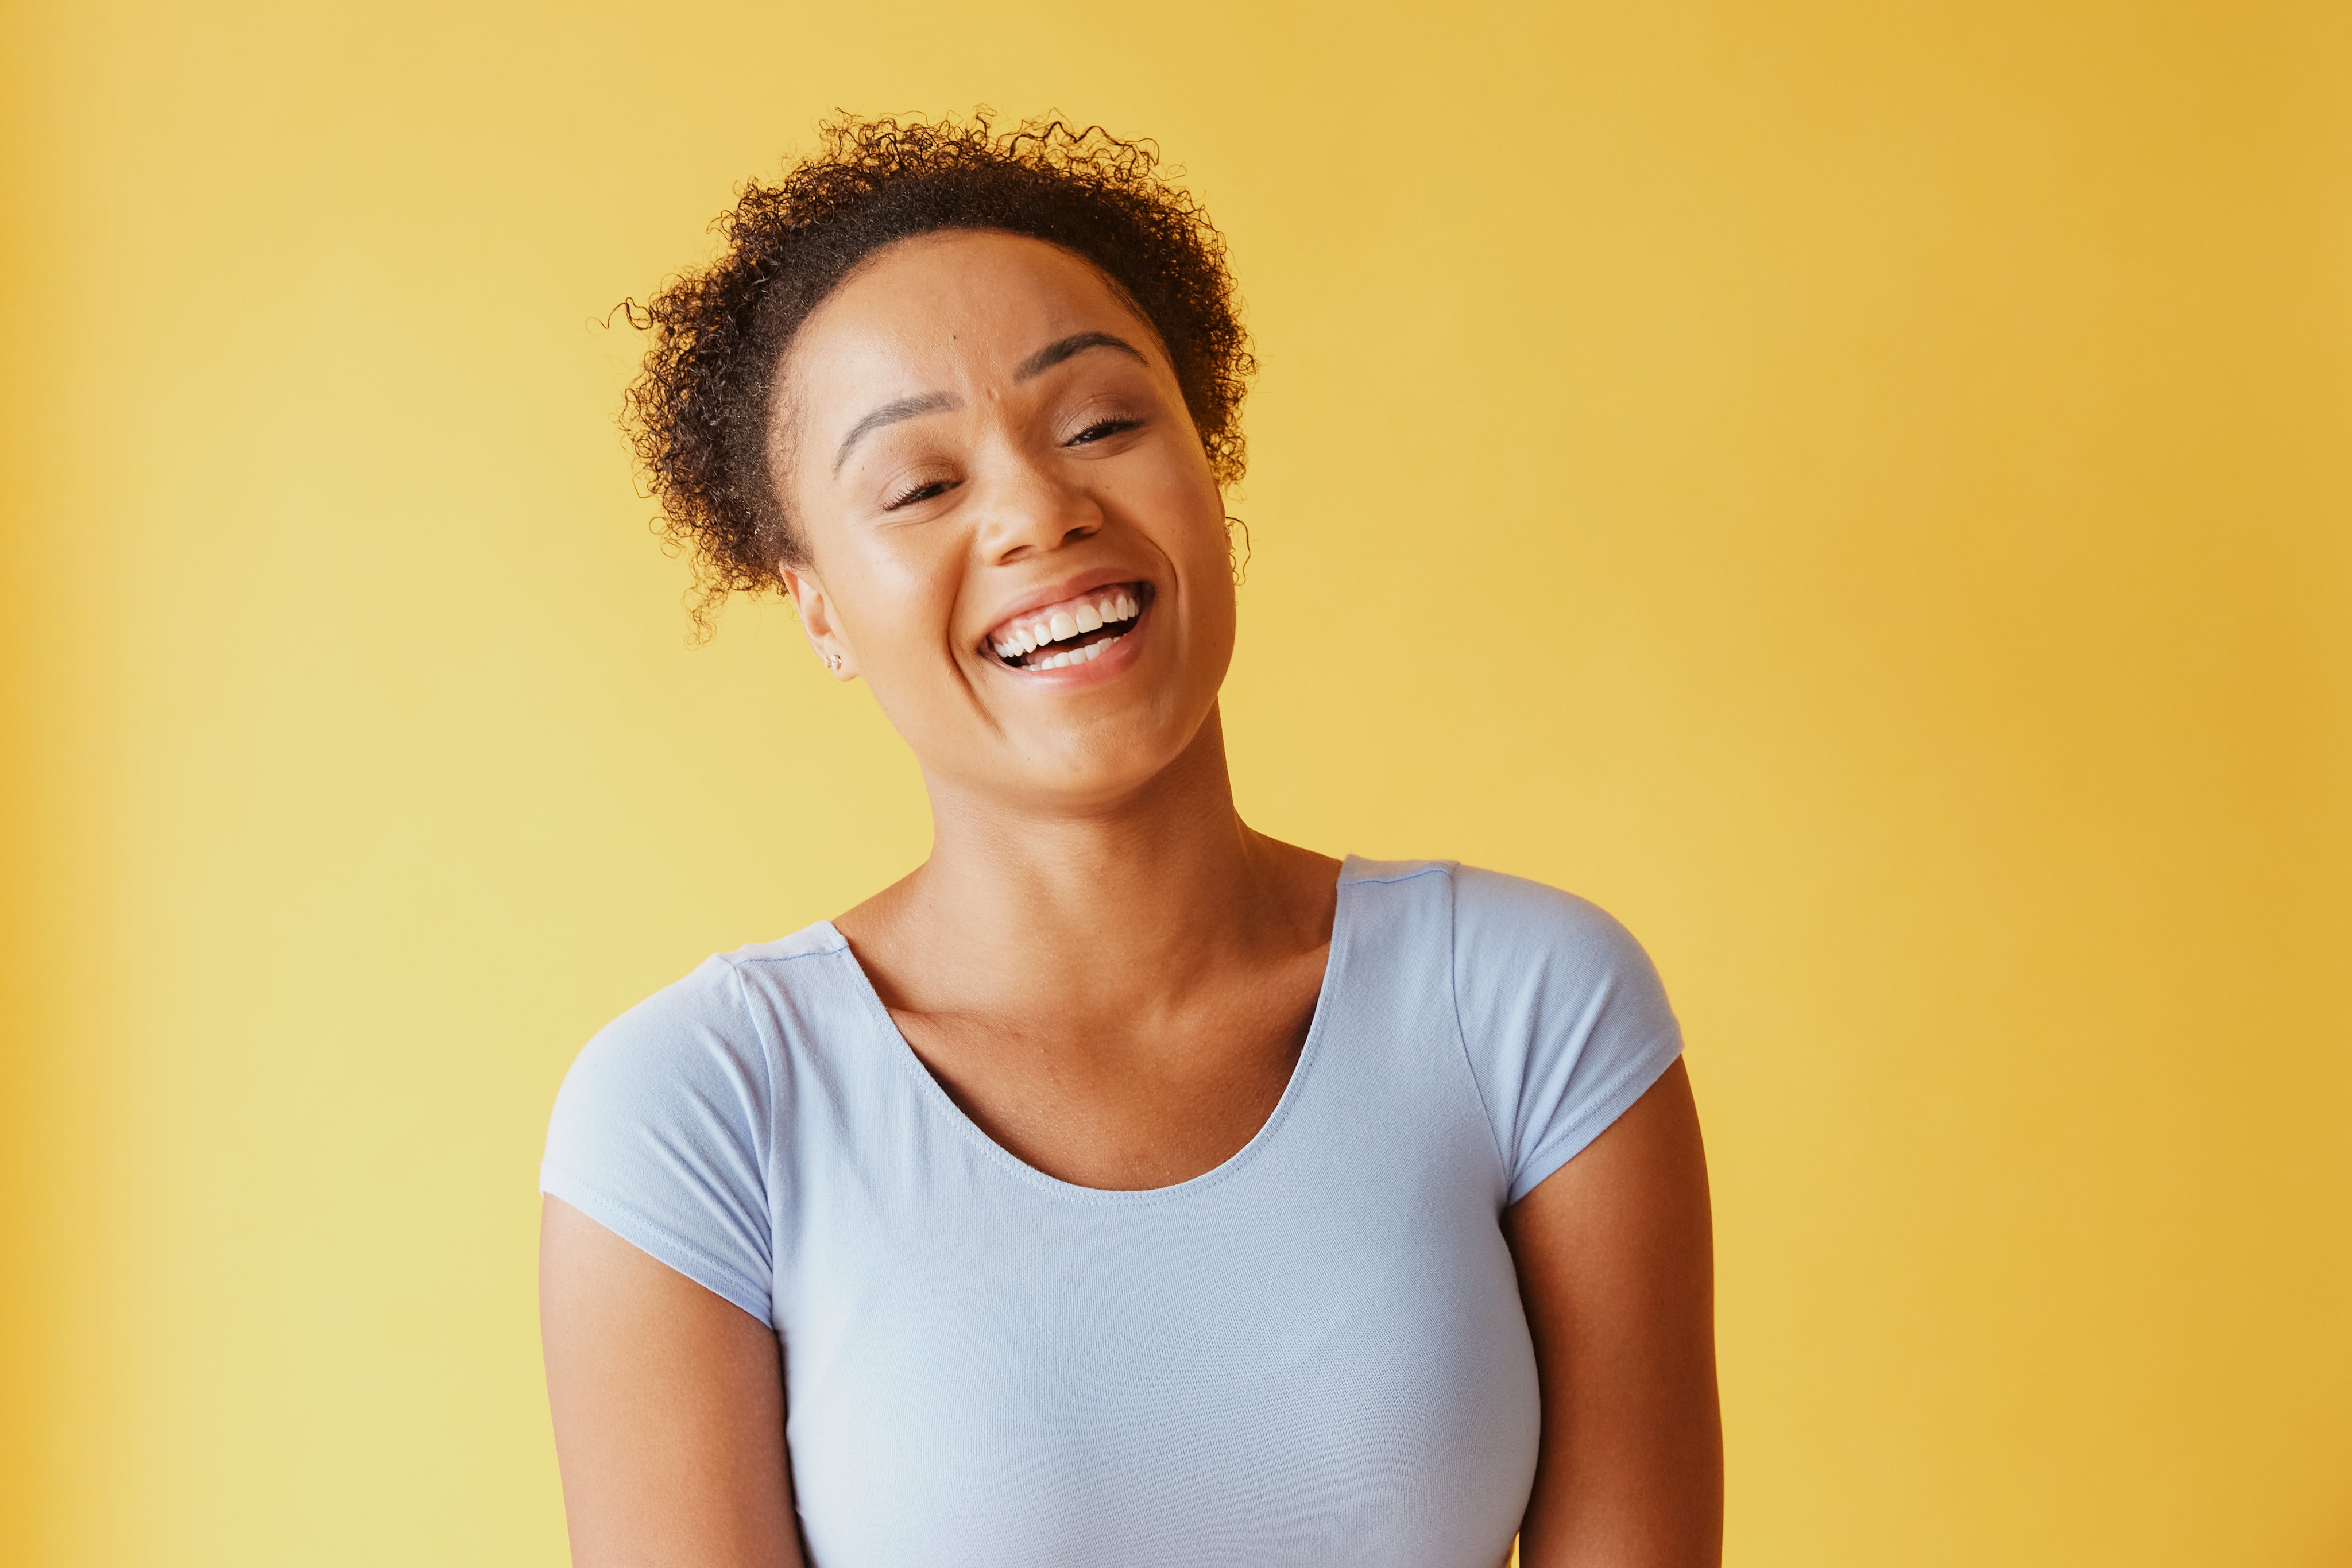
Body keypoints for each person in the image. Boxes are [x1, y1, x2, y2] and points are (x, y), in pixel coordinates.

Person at [537, 114, 1722, 1568]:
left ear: (1205, 461)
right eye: (919, 485)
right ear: (821, 610)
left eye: (1101, 423)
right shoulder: (699, 1113)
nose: (1041, 511)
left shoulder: (1528, 1007)